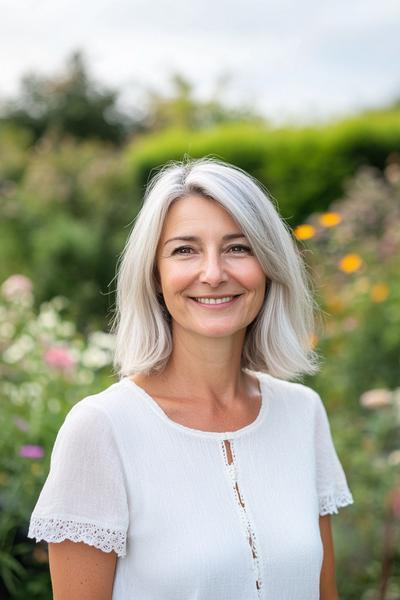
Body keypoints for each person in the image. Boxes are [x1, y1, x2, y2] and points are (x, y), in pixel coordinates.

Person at [28, 157, 354, 599]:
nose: (214, 273)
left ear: (269, 266)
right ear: (155, 276)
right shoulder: (102, 428)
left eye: (238, 247)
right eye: (185, 250)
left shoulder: (303, 413)